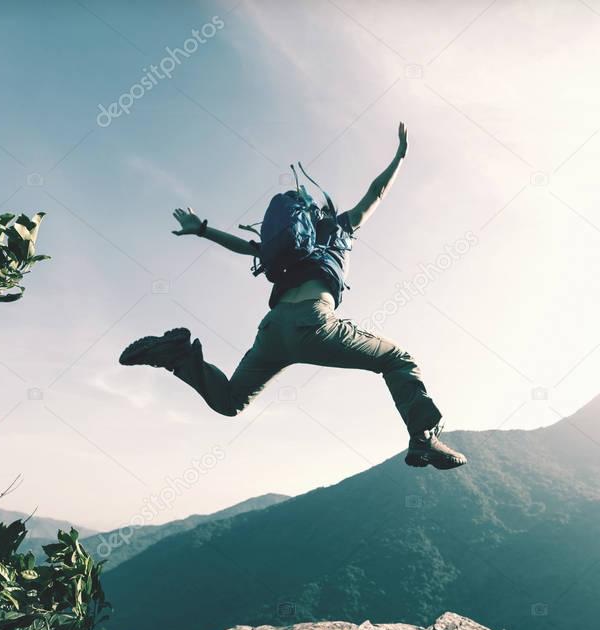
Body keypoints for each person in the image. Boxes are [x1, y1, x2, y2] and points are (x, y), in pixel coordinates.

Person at [119, 123, 466, 470]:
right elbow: (376, 193)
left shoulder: (282, 251)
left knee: (230, 401)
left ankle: (176, 356)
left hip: (272, 330)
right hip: (313, 323)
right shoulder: (338, 229)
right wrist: (399, 157)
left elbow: (245, 247)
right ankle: (424, 437)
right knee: (398, 360)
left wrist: (203, 230)